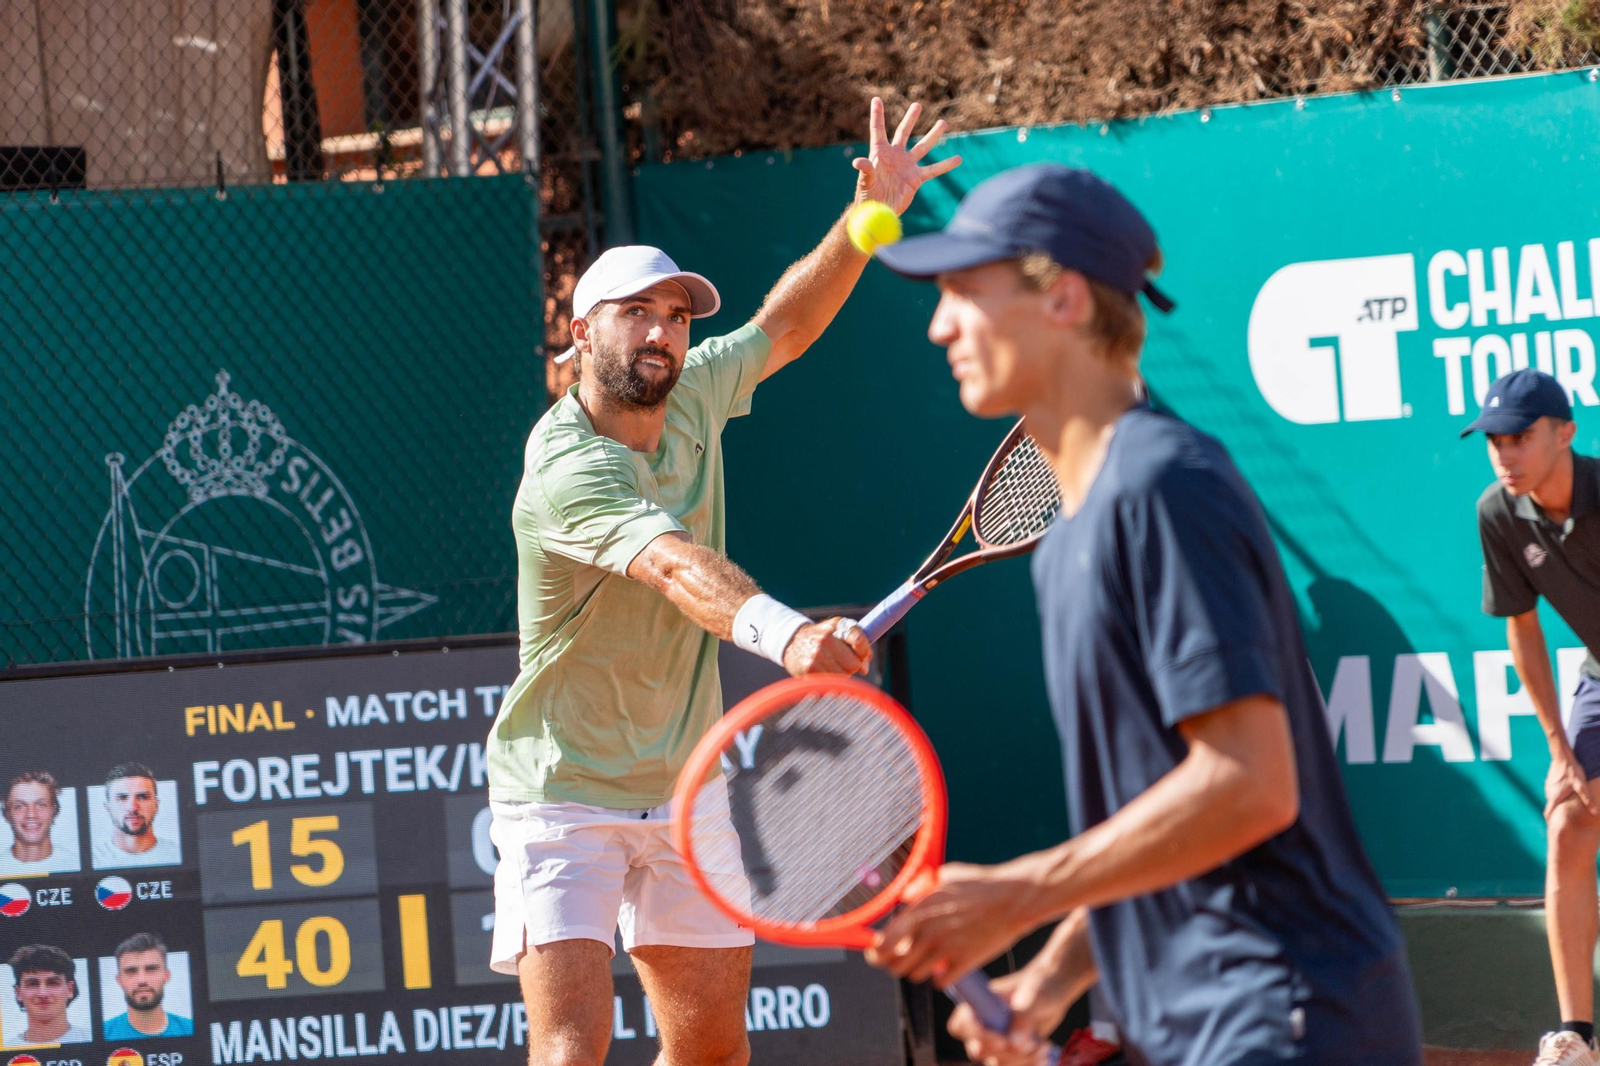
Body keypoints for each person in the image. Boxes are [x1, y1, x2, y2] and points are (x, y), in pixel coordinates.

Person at [860, 164, 1423, 1066]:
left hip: (1285, 1010)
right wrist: (1050, 980)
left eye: (966, 291)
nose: (940, 324)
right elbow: (1163, 815)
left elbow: (1250, 785)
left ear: (1065, 300)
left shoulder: (1164, 486)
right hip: (1209, 1020)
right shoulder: (1078, 529)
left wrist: (1019, 893)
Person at [487, 98, 959, 1066]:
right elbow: (670, 563)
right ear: (582, 332)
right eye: (635, 315)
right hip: (559, 792)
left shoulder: (695, 386)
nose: (660, 333)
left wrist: (867, 215)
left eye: (673, 315)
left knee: (711, 1052)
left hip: (683, 781)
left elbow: (782, 326)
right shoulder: (567, 464)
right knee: (573, 1050)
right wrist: (790, 636)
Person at [1464, 368, 1600, 1066]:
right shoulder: (1497, 514)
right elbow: (1523, 626)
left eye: (1520, 437)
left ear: (1566, 434)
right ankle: (1577, 1036)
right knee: (1570, 818)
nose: (1505, 454)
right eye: (1495, 441)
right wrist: (1560, 748)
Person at [102, 933, 193, 1039]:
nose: (142, 980)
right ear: (119, 980)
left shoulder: (190, 1029)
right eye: (131, 971)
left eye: (151, 969)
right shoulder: (103, 1033)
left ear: (166, 976)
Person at [93, 762, 180, 869]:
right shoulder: (94, 858)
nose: (133, 807)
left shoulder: (177, 854)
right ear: (108, 807)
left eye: (142, 797)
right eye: (122, 798)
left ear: (156, 805)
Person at [6, 944, 90, 1047]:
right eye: (32, 984)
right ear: (18, 993)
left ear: (70, 989)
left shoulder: (90, 1039)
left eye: (53, 983)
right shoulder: (8, 1049)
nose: (43, 994)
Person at [1, 771, 63, 872]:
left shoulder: (75, 862)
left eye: (41, 805)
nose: (31, 815)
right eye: (19, 806)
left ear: (54, 810)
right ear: (7, 813)